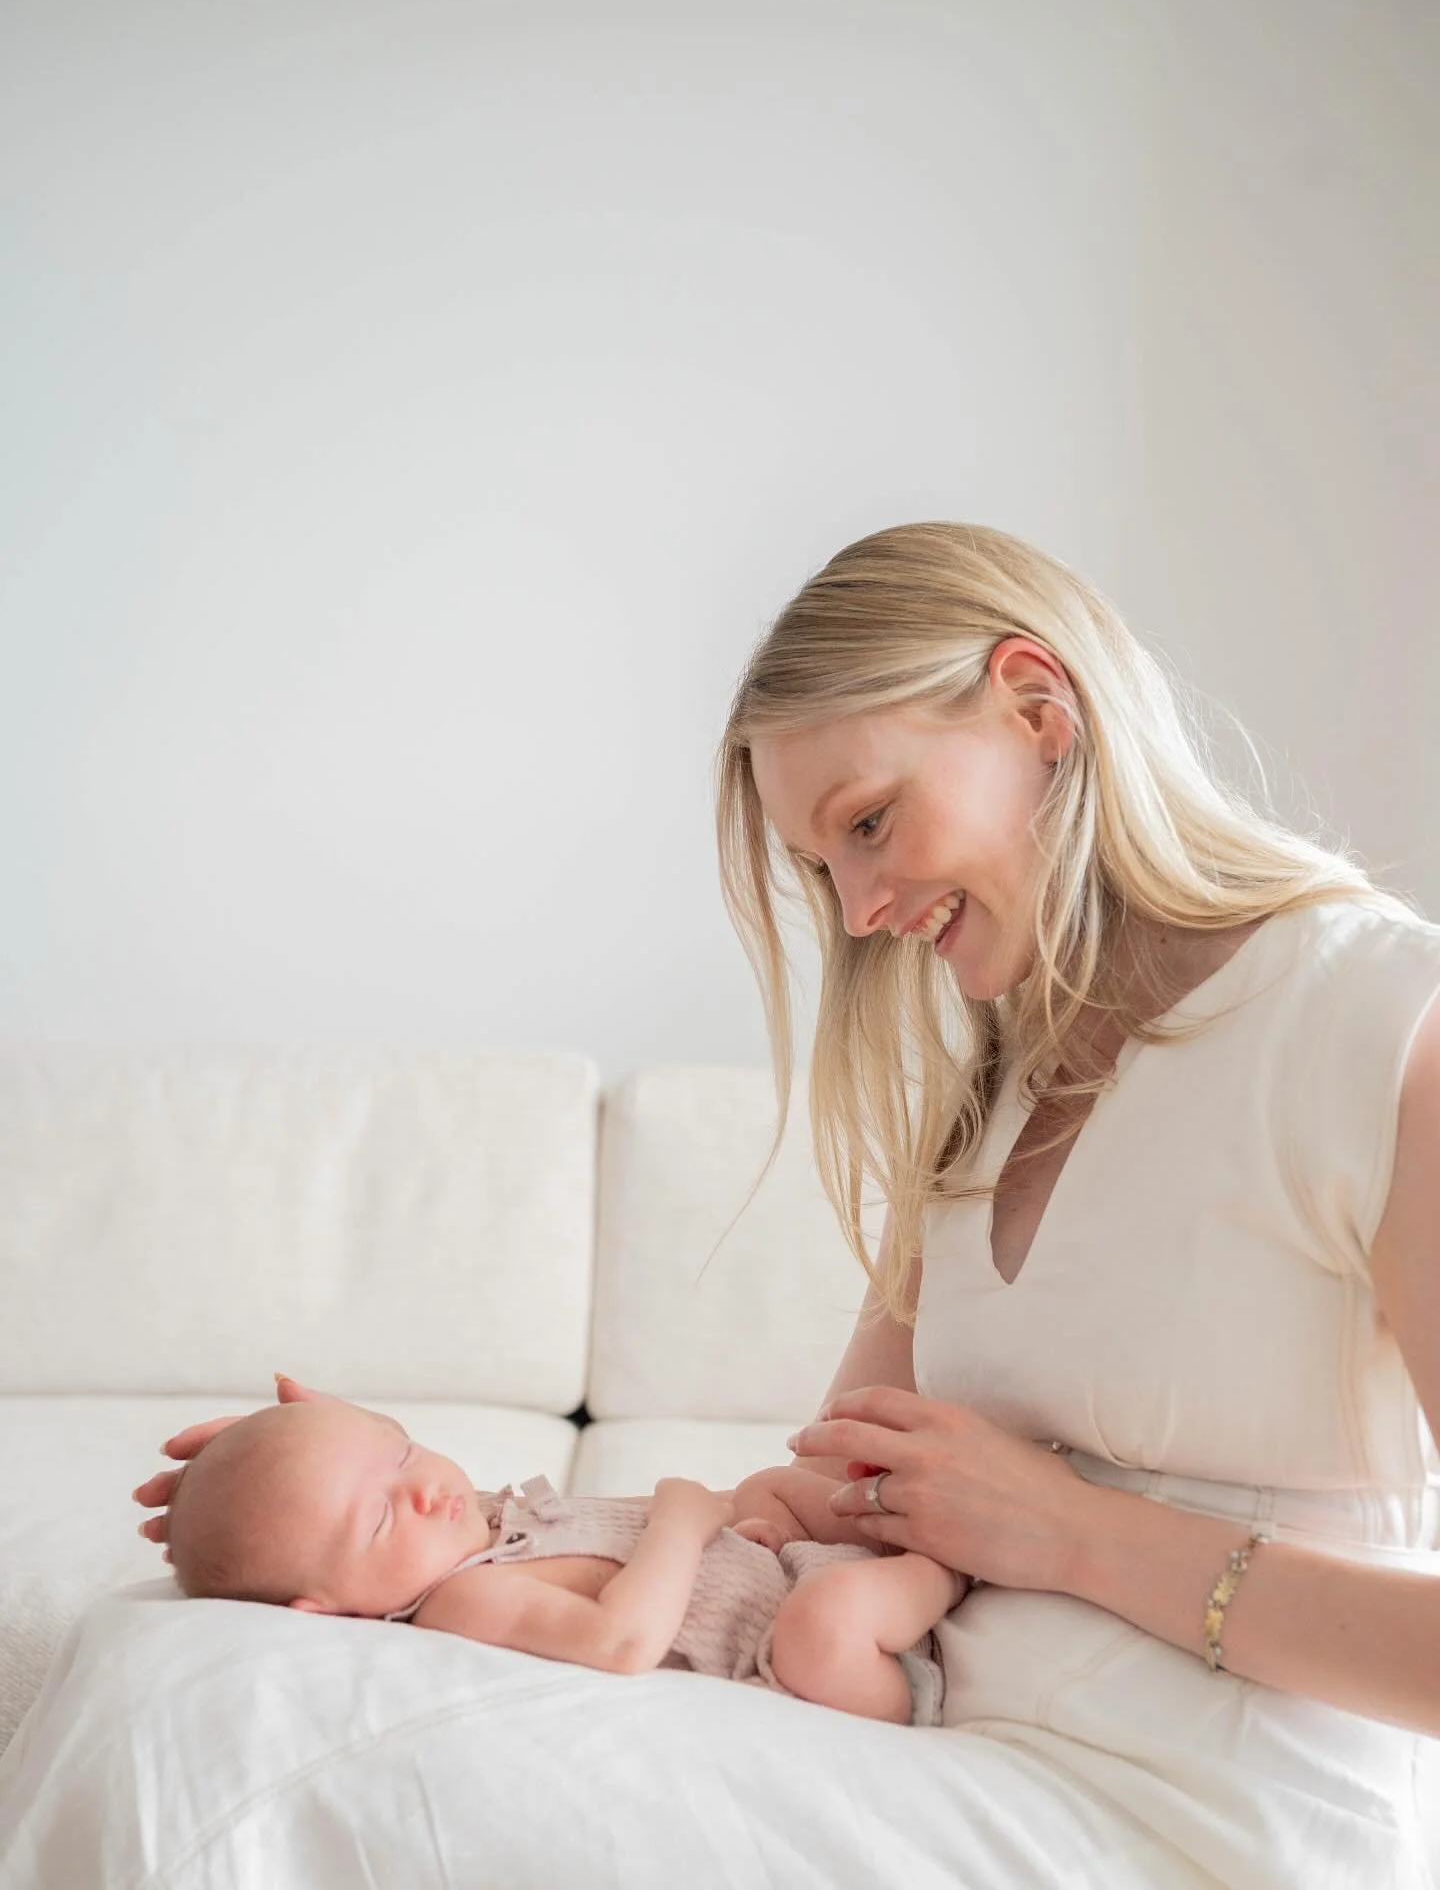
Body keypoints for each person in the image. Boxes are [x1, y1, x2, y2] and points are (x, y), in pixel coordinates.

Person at [137, 520, 1440, 1884]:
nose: (862, 910)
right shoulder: (990, 1100)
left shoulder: (1373, 1027)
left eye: (869, 823)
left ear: (1039, 709)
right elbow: (823, 1503)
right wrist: (314, 1500)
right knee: (176, 1692)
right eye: (827, 867)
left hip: (1199, 1825)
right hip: (930, 1752)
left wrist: (1072, 1534)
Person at [132, 1379, 957, 1726]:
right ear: (328, 1610)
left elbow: (605, 1531)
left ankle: (925, 1530)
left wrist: (731, 1532)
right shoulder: (462, 1598)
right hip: (805, 1661)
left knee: (773, 1486)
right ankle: (952, 1567)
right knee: (825, 1620)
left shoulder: (480, 1522)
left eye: (402, 1452)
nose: (423, 1491)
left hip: (768, 1571)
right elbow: (621, 1641)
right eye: (379, 1518)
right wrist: (680, 1522)